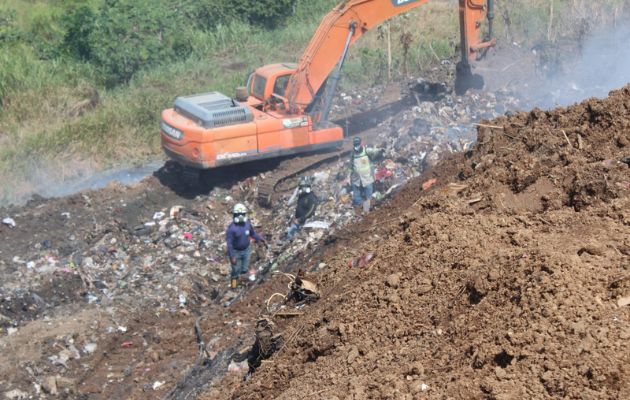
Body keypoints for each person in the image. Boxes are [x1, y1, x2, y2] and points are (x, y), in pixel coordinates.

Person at [226, 203, 266, 289]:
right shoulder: (232, 229)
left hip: (246, 250)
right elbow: (229, 243)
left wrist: (260, 238)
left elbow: (253, 233)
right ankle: (234, 286)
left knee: (244, 269)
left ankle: (243, 286)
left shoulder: (247, 224)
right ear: (235, 215)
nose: (240, 216)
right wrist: (232, 256)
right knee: (235, 271)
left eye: (242, 214)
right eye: (238, 214)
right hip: (236, 252)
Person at [349, 137, 381, 213]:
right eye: (355, 145)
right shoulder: (352, 153)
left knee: (368, 196)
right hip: (357, 179)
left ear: (361, 143)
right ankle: (360, 210)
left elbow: (374, 152)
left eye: (358, 144)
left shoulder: (366, 150)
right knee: (357, 197)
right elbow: (351, 166)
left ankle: (367, 210)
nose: (356, 146)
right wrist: (349, 177)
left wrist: (379, 151)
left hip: (367, 178)